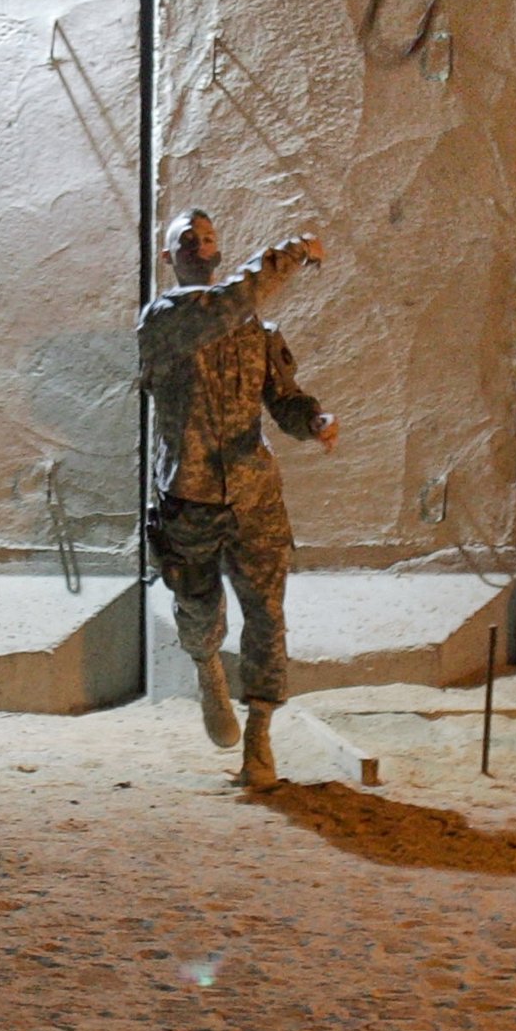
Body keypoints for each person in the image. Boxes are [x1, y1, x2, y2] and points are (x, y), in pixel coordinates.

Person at [138, 208, 336, 789]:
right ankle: (207, 670)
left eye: (207, 240)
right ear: (168, 257)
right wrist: (291, 252)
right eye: (186, 241)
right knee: (199, 611)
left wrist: (314, 421)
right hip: (190, 497)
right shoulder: (165, 319)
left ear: (218, 253)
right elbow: (226, 304)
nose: (199, 247)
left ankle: (260, 736)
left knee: (267, 617)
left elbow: (286, 400)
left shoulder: (259, 333)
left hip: (255, 496)